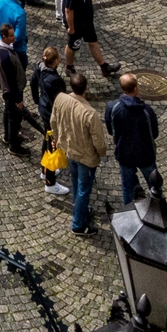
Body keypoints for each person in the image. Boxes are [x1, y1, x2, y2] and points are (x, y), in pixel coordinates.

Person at [51, 72, 106, 236]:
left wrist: (55, 138)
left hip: (68, 150)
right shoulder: (89, 113)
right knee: (84, 190)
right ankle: (78, 225)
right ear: (86, 88)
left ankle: (79, 210)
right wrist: (101, 153)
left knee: (76, 183)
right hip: (86, 157)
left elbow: (53, 121)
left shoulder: (60, 99)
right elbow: (99, 141)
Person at [104, 73, 161, 204]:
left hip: (124, 154)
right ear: (136, 88)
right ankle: (158, 212)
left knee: (127, 189)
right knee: (154, 186)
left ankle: (128, 214)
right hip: (145, 155)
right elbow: (154, 133)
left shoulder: (113, 108)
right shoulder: (147, 111)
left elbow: (111, 130)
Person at [63, 0, 119, 79]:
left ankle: (104, 67)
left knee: (93, 43)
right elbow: (68, 10)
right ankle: (69, 67)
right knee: (72, 46)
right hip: (76, 24)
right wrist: (71, 28)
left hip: (87, 22)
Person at [31, 47, 71, 197]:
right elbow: (60, 101)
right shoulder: (55, 80)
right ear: (54, 61)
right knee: (52, 145)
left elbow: (33, 83)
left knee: (47, 140)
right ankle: (50, 182)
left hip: (43, 108)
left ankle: (44, 170)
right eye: (58, 58)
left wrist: (37, 100)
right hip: (51, 113)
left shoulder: (39, 68)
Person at [0, 22, 40, 153]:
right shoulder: (6, 56)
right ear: (4, 37)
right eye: (11, 35)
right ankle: (14, 145)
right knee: (14, 118)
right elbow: (11, 81)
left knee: (8, 113)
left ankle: (8, 137)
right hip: (12, 92)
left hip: (9, 92)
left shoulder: (3, 46)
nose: (14, 37)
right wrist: (18, 100)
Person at [0, 0, 28, 69]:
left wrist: (0, 36)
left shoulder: (2, 1)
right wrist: (8, 43)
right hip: (18, 49)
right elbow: (19, 35)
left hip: (3, 44)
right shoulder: (20, 13)